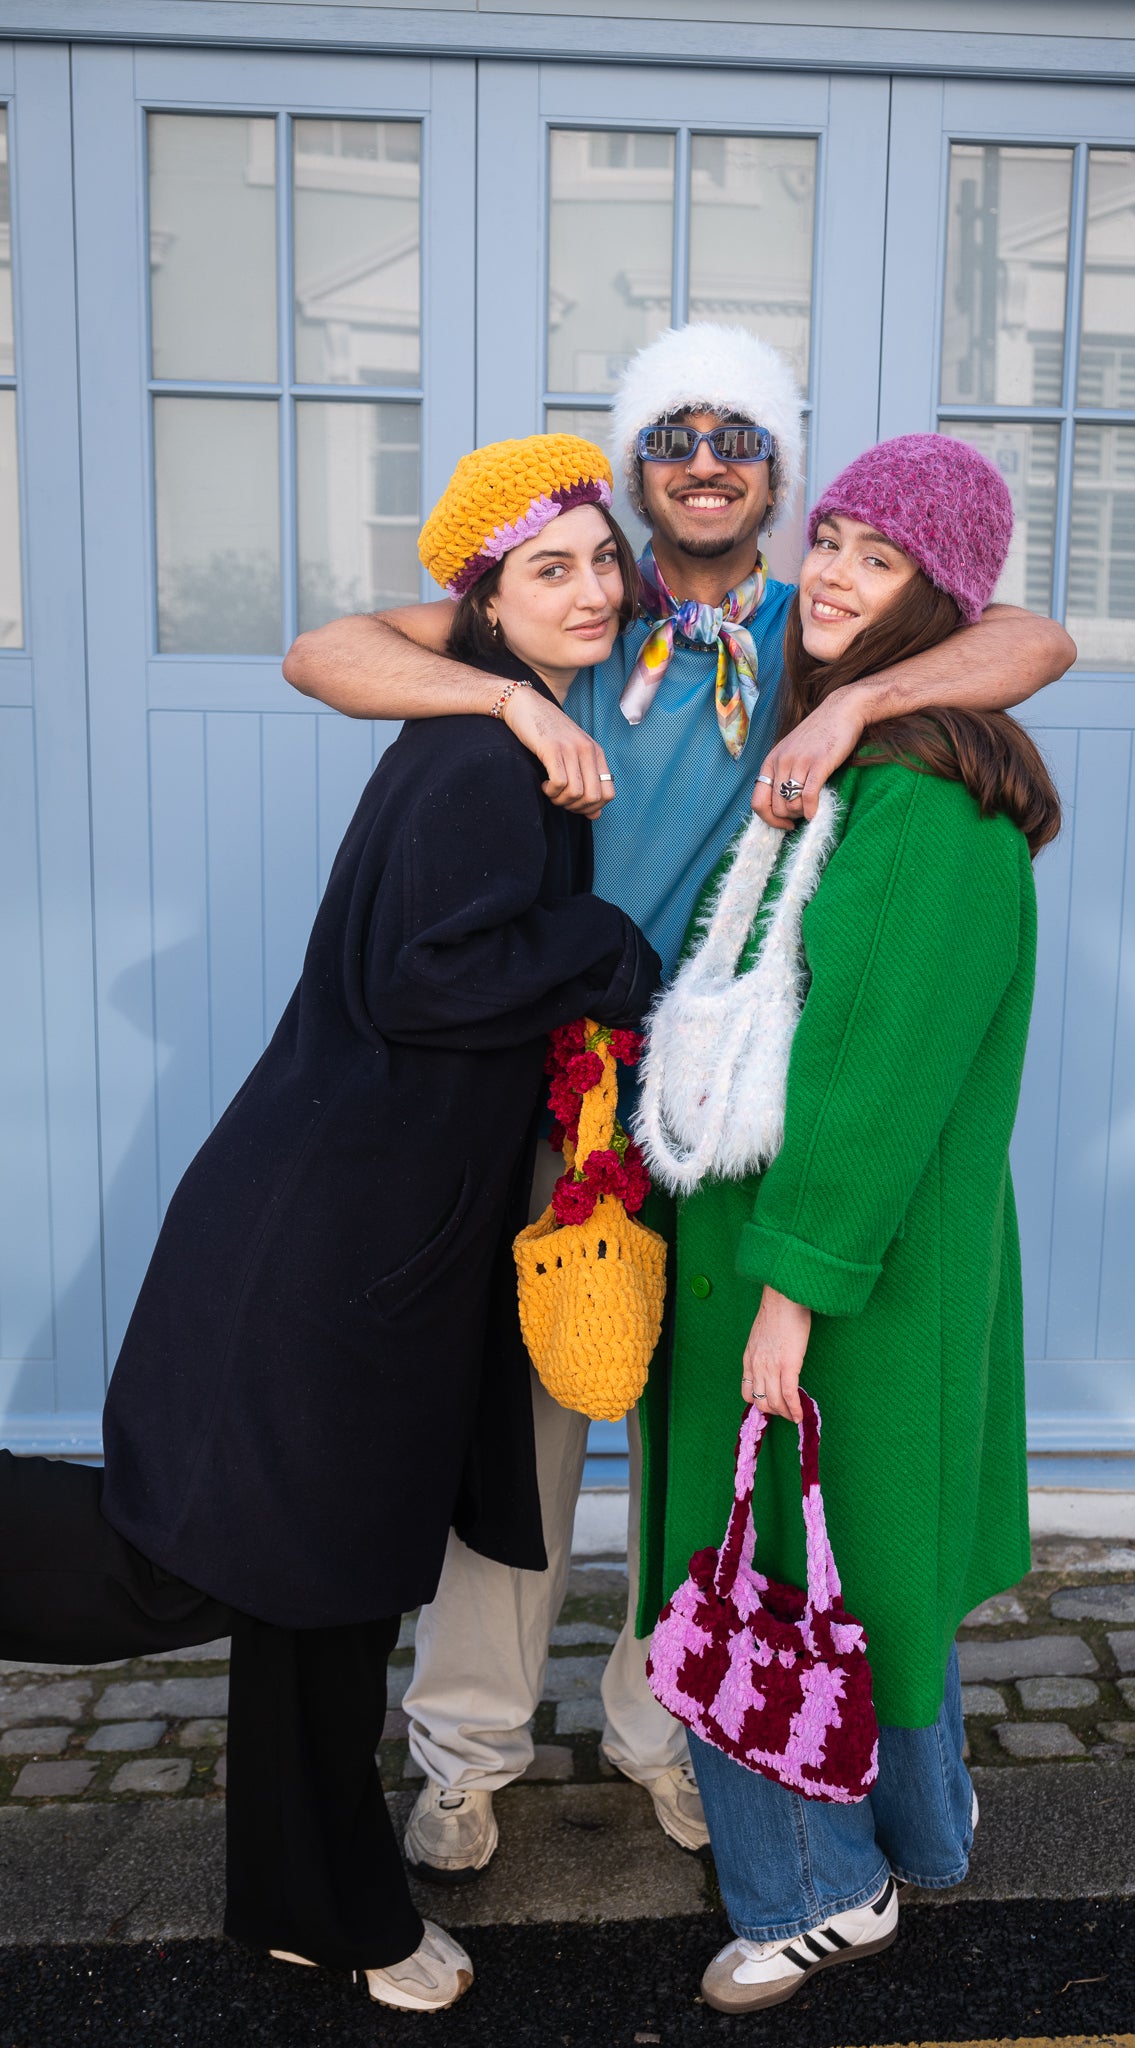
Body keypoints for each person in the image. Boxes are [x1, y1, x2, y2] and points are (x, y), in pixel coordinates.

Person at [282, 322, 1076, 1880]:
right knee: (515, 1433)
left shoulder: (819, 625)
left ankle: (674, 1730)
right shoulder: (572, 606)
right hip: (550, 1087)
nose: (705, 459)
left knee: (697, 1436)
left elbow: (1034, 641)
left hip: (725, 1110)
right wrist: (506, 703)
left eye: (739, 437)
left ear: (777, 474)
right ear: (638, 466)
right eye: (673, 435)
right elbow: (322, 653)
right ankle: (467, 1746)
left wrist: (846, 707)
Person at [0, 435, 658, 2014]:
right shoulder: (486, 758)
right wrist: (605, 940)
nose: (588, 590)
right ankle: (331, 1908)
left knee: (329, 1592)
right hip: (324, 1252)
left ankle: (319, 1908)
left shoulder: (512, 730)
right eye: (544, 567)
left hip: (373, 1237)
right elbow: (422, 979)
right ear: (479, 602)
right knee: (190, 1570)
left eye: (600, 560)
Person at [633, 433, 1060, 2014]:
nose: (829, 573)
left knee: (769, 1573)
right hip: (840, 1248)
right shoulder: (859, 763)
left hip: (832, 1262)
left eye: (878, 559)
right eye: (831, 538)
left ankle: (818, 1890)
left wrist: (790, 1296)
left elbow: (872, 1076)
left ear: (933, 603)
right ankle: (926, 1833)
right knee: (865, 1559)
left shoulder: (923, 803)